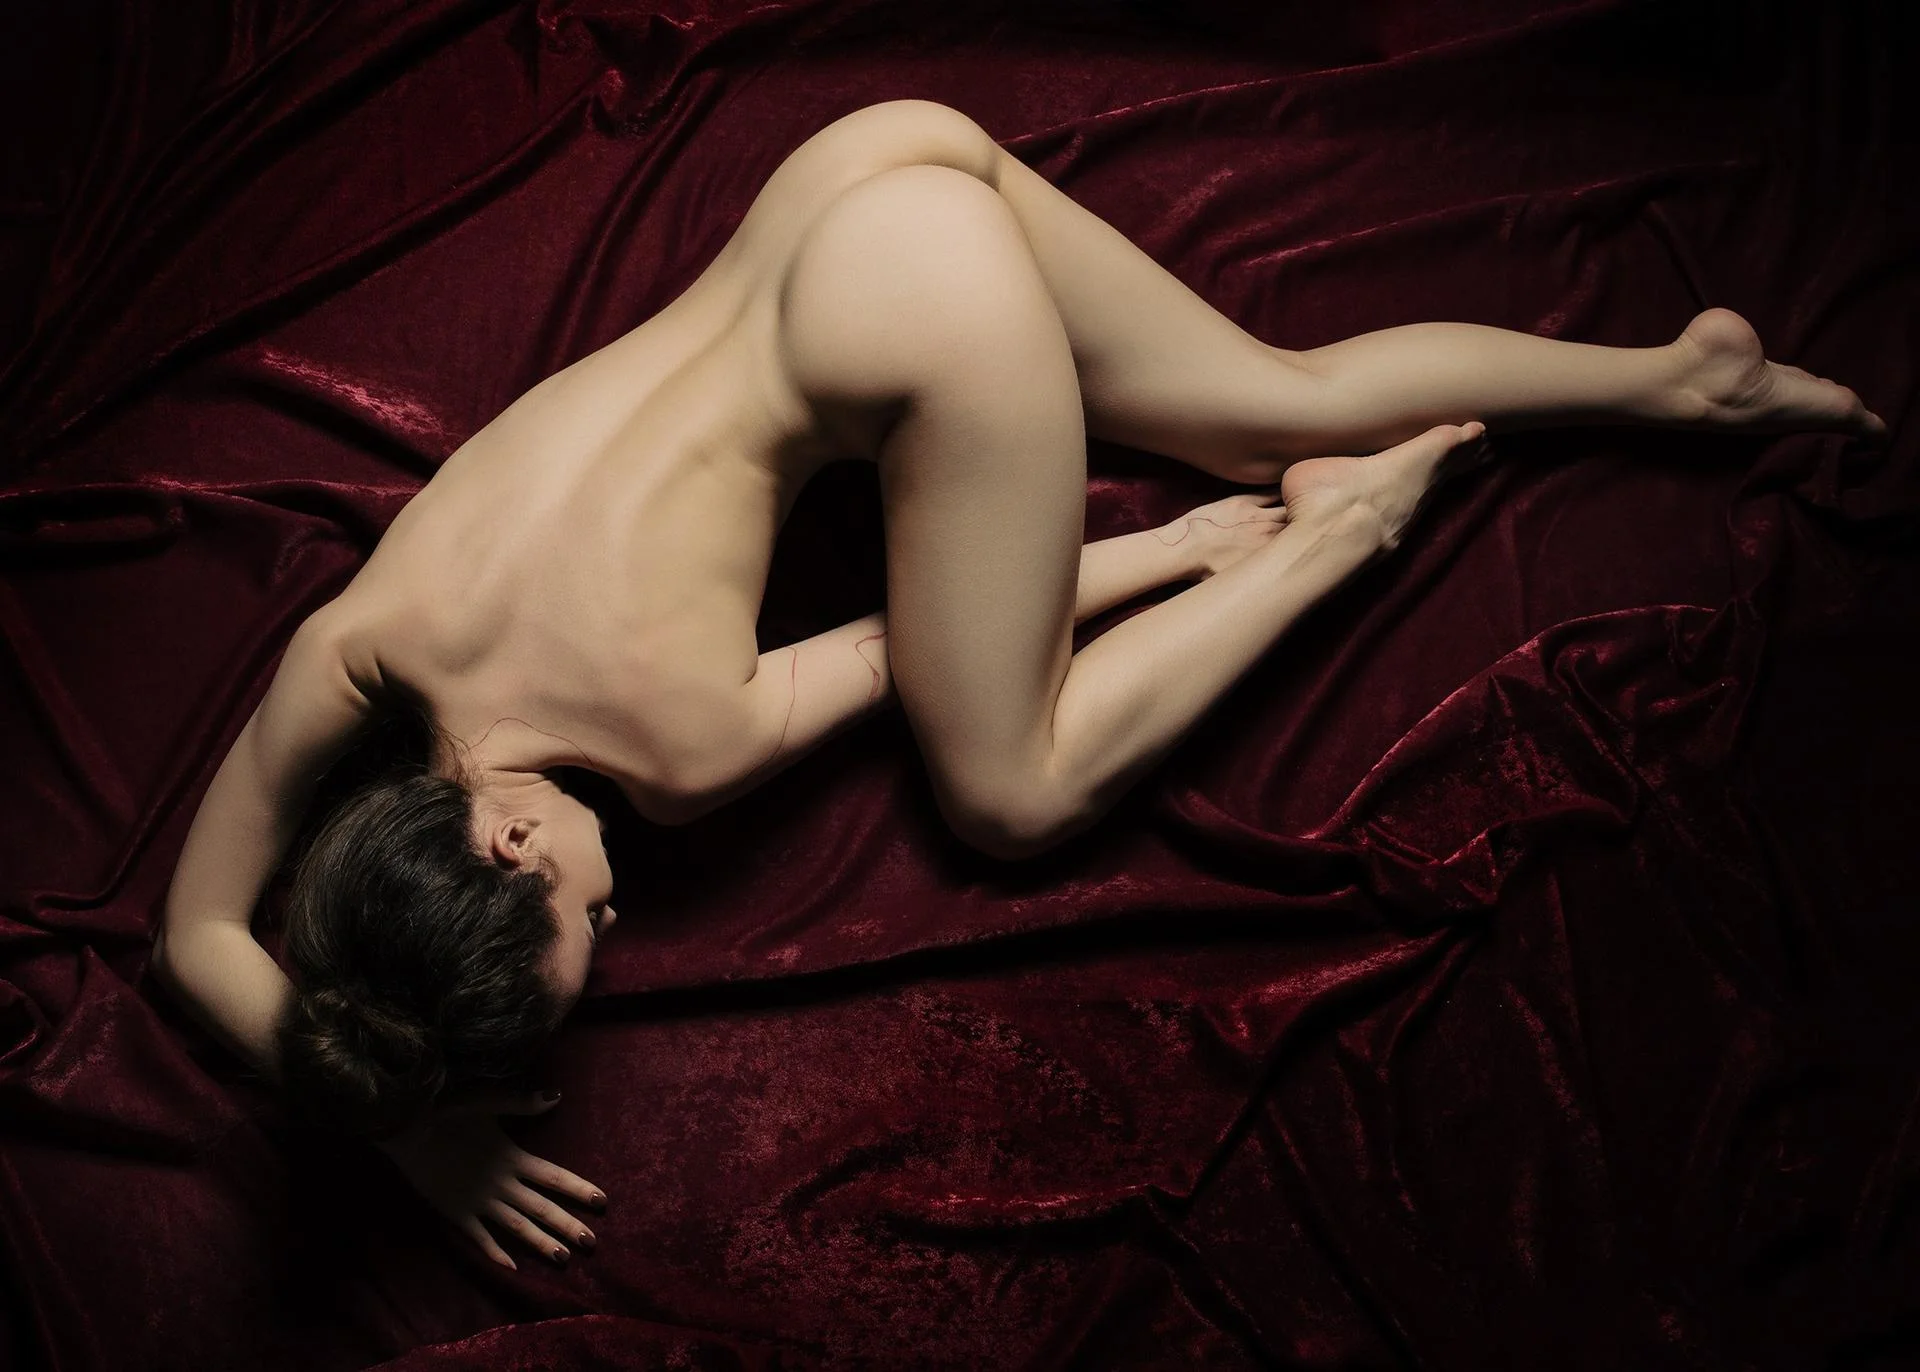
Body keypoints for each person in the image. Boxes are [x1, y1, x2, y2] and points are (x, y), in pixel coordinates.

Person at [149, 99, 1885, 1272]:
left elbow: (901, 650)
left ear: (512, 840)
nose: (618, 915)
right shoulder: (348, 653)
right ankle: (1676, 380)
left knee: (1007, 792)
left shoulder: (672, 753)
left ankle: (1342, 540)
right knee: (1276, 395)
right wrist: (392, 1103)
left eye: (584, 926)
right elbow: (196, 930)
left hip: (920, 317)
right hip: (862, 166)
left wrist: (1199, 563)